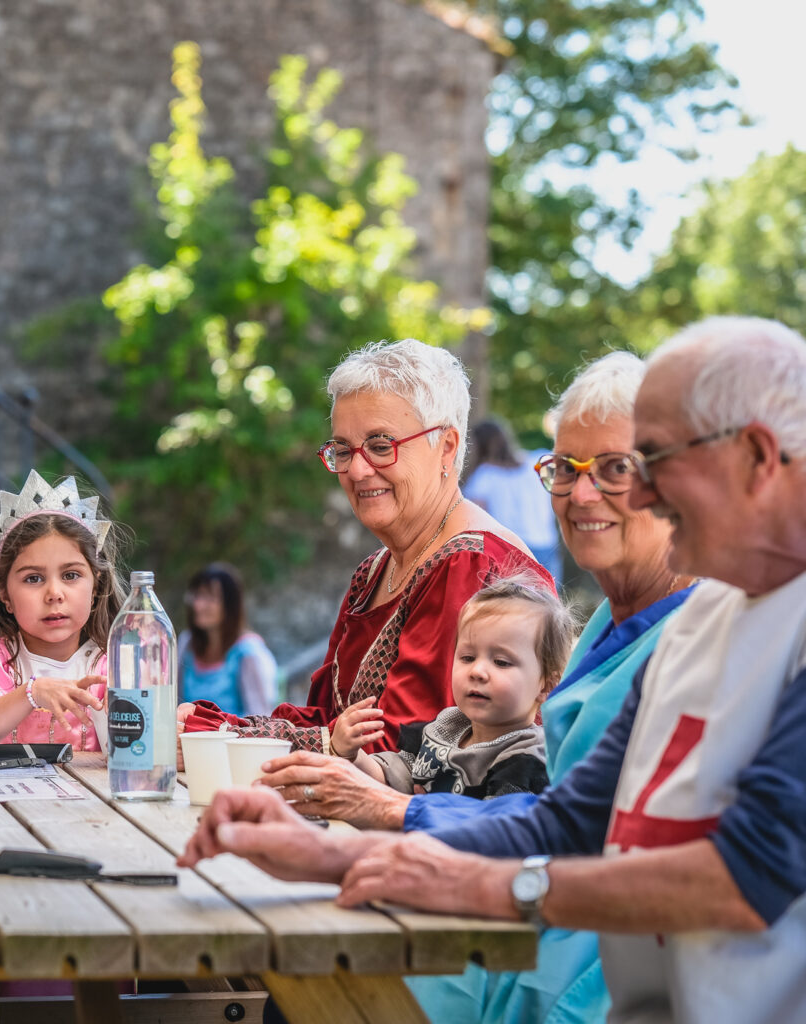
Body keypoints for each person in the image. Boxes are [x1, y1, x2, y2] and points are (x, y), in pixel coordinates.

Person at [179, 317, 806, 1024]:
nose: (631, 494)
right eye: (566, 470)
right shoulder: (704, 614)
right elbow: (567, 819)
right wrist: (328, 856)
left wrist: (493, 883)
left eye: (643, 462)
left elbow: (745, 874)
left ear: (755, 457)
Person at [259, 350, 698, 1024]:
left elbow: (594, 838)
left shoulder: (703, 637)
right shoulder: (613, 626)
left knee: (313, 971)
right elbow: (563, 817)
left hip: (609, 967)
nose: (581, 495)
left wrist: (389, 814)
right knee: (302, 964)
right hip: (542, 921)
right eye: (564, 471)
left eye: (615, 469)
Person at [181, 339, 551, 754]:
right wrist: (208, 726)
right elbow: (328, 722)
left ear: (446, 446)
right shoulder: (374, 572)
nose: (357, 470)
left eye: (380, 446)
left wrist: (223, 737)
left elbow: (405, 749)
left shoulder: (473, 563)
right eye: (343, 450)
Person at [0, 470, 124, 750]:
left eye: (70, 575)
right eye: (33, 579)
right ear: (4, 594)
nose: (54, 594)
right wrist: (32, 692)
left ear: (95, 586)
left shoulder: (118, 666)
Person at [335, 574, 569, 801]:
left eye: (501, 662)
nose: (477, 672)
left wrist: (416, 809)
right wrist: (353, 756)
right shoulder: (447, 726)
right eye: (467, 657)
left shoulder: (526, 762)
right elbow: (394, 777)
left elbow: (492, 831)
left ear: (547, 685)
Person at [463, 418, 563, 583]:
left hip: (510, 551)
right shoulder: (538, 462)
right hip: (547, 545)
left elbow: (475, 521)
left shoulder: (484, 476)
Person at [179, 562, 278, 716]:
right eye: (197, 596)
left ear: (230, 604)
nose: (198, 605)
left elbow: (261, 718)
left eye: (209, 597)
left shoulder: (248, 653)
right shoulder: (187, 644)